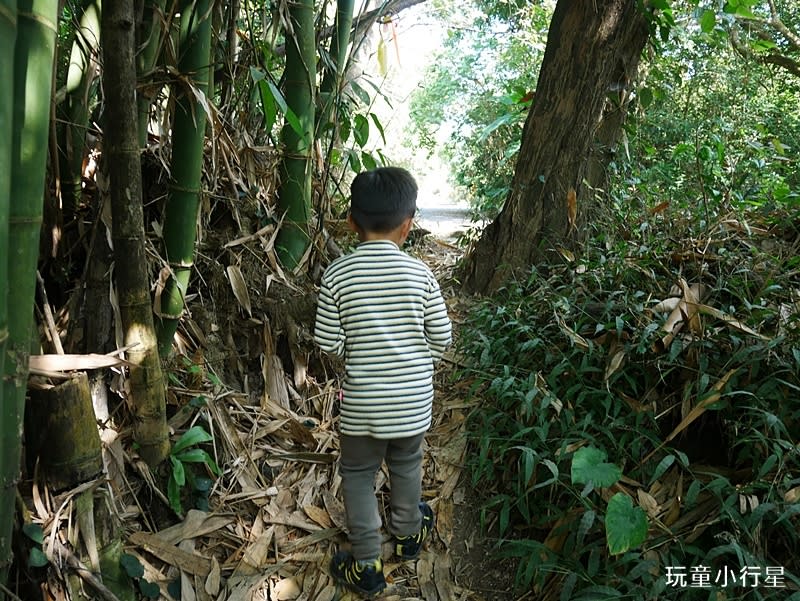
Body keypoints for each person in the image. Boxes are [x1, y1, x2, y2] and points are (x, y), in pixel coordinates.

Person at [314, 166, 452, 596]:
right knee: (408, 465)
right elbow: (442, 338)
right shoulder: (421, 276)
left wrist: (357, 356)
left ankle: (367, 563)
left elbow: (327, 342)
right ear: (409, 224)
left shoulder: (337, 275)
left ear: (351, 221)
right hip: (412, 406)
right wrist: (415, 365)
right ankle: (410, 535)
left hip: (363, 406)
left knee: (357, 474)